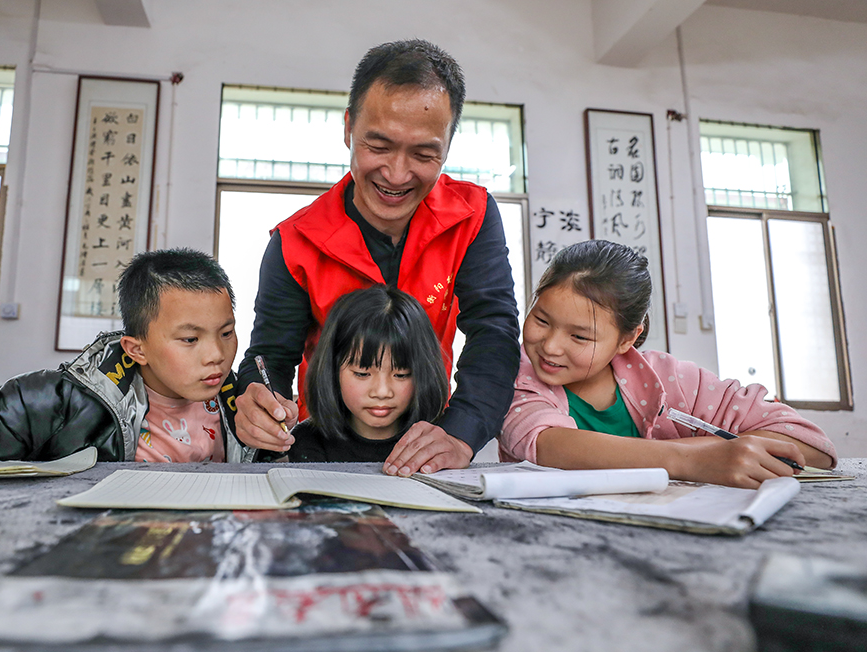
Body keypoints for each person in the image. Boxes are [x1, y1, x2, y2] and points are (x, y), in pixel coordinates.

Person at [235, 39, 520, 477]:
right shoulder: (296, 241)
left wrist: (461, 431)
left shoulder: (472, 216)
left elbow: (494, 330)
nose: (397, 174)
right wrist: (257, 396)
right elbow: (271, 356)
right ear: (349, 128)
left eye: (424, 154)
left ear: (448, 145)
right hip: (324, 450)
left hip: (427, 448)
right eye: (379, 146)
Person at [0, 249, 257, 484]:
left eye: (226, 333)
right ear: (137, 349)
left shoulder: (243, 405)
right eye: (190, 339)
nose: (216, 355)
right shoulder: (70, 401)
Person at [499, 239, 837, 489]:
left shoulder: (669, 380)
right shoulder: (514, 373)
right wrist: (697, 459)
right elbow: (547, 445)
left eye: (580, 337)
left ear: (627, 339)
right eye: (541, 320)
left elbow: (809, 442)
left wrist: (727, 456)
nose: (550, 346)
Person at [286, 285, 448, 464]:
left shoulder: (438, 441)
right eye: (362, 373)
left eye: (401, 375)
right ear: (332, 370)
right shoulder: (307, 441)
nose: (382, 392)